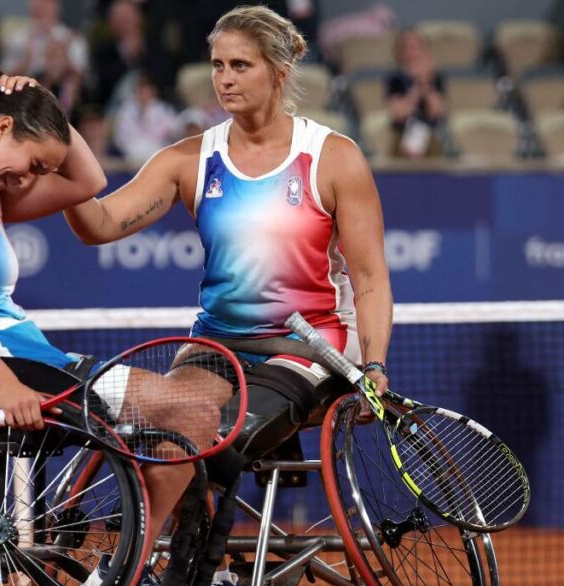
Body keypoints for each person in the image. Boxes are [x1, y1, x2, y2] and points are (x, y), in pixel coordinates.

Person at [65, 5, 392, 516]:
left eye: (241, 66)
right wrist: (60, 150)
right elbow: (100, 225)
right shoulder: (189, 160)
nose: (224, 79)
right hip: (219, 343)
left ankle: (179, 569)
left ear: (278, 72)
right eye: (218, 65)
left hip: (308, 345)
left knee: (214, 439)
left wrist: (374, 366)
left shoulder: (333, 158)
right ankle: (185, 575)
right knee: (174, 432)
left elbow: (370, 278)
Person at [0, 67, 224, 564]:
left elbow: (89, 181)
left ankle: (165, 568)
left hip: (31, 360)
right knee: (191, 412)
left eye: (39, 171)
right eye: (31, 164)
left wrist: (45, 105)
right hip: (8, 365)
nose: (28, 179)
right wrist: (5, 385)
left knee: (189, 422)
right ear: (1, 128)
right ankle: (130, 569)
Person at [386, 26, 446, 158]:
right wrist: (416, 88)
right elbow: (400, 113)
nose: (413, 53)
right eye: (408, 47)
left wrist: (425, 83)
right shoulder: (395, 78)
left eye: (417, 47)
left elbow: (436, 110)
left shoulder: (435, 78)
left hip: (430, 138)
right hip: (402, 139)